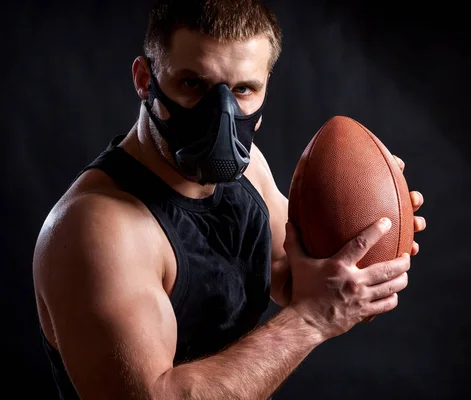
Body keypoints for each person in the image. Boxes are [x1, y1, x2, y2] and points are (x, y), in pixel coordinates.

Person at [32, 0, 427, 399]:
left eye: (242, 89)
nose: (220, 114)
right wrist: (309, 321)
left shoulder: (249, 168)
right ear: (144, 78)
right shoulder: (98, 228)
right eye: (192, 84)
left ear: (265, 86)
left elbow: (299, 279)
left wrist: (373, 235)